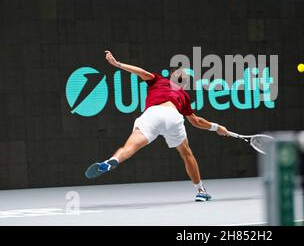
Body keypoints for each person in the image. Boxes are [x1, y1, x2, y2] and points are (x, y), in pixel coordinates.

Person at [85, 50, 230, 202]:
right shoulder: (183, 95)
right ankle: (201, 190)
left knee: (129, 147)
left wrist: (117, 64)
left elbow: (141, 72)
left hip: (152, 115)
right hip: (172, 116)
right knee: (187, 154)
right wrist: (217, 127)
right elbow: (196, 122)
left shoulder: (159, 80)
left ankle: (112, 160)